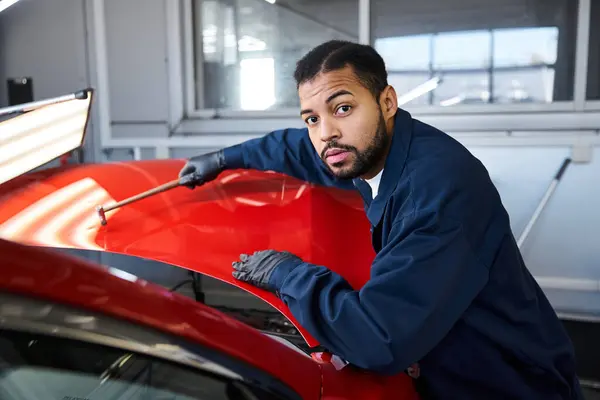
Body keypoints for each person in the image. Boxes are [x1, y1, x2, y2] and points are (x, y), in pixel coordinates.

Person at [178, 40, 583, 399]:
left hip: (508, 382)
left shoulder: (438, 191)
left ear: (387, 102)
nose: (326, 133)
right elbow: (297, 149)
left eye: (342, 107)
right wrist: (224, 159)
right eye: (312, 118)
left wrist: (289, 275)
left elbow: (379, 338)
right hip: (452, 365)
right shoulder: (369, 149)